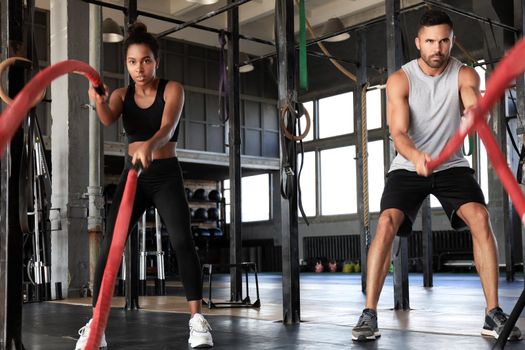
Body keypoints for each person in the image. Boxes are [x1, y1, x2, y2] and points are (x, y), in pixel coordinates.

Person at [351, 10, 522, 342]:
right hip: (408, 164)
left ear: (452, 40)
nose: (437, 48)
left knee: (480, 218)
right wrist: (416, 156)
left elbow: (470, 98)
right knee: (386, 222)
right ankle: (369, 313)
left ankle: (492, 313)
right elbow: (398, 132)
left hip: (451, 164)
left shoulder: (464, 73)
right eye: (430, 41)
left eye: (444, 40)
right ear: (419, 42)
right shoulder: (401, 79)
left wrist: (474, 111)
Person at [75, 22, 213, 349]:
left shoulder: (173, 89)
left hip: (165, 173)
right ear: (126, 64)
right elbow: (108, 117)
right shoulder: (122, 95)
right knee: (111, 246)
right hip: (132, 175)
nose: (140, 68)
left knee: (182, 241)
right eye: (133, 62)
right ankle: (96, 324)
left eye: (146, 60)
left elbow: (167, 128)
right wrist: (97, 99)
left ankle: (197, 322)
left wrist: (149, 146)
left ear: (156, 61)